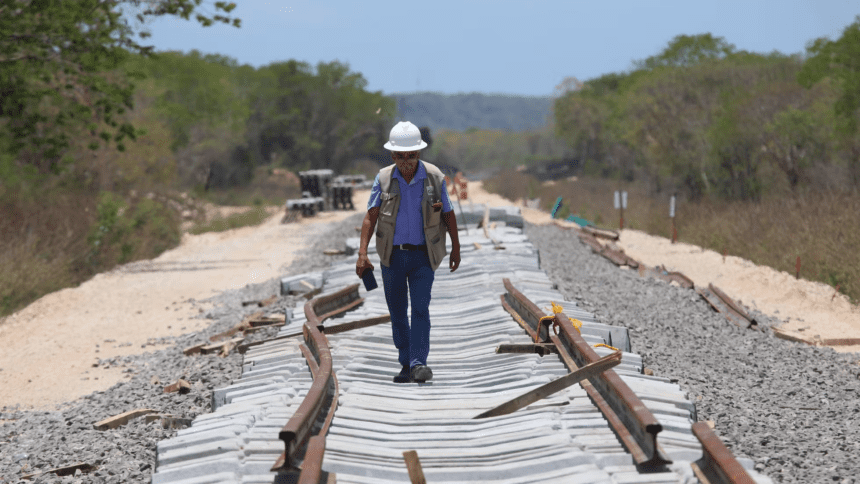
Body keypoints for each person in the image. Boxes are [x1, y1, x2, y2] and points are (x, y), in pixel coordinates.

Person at [355, 121, 461, 383]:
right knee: (398, 311)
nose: (406, 162)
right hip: (392, 256)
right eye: (400, 157)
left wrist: (456, 248)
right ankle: (406, 363)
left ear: (419, 154)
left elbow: (448, 213)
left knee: (421, 309)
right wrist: (362, 253)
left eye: (411, 156)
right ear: (393, 156)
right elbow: (371, 217)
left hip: (424, 256)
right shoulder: (383, 179)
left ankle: (419, 362)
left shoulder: (435, 178)